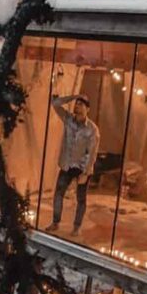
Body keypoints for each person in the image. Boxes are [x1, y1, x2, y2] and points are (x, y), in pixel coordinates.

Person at [46, 93, 99, 235]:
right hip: (67, 164)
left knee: (81, 199)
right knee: (58, 194)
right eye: (76, 104)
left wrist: (86, 173)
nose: (77, 106)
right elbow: (55, 104)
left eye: (81, 104)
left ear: (87, 109)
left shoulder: (92, 129)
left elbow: (92, 153)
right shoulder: (68, 119)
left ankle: (77, 226)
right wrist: (74, 96)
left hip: (81, 167)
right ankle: (55, 222)